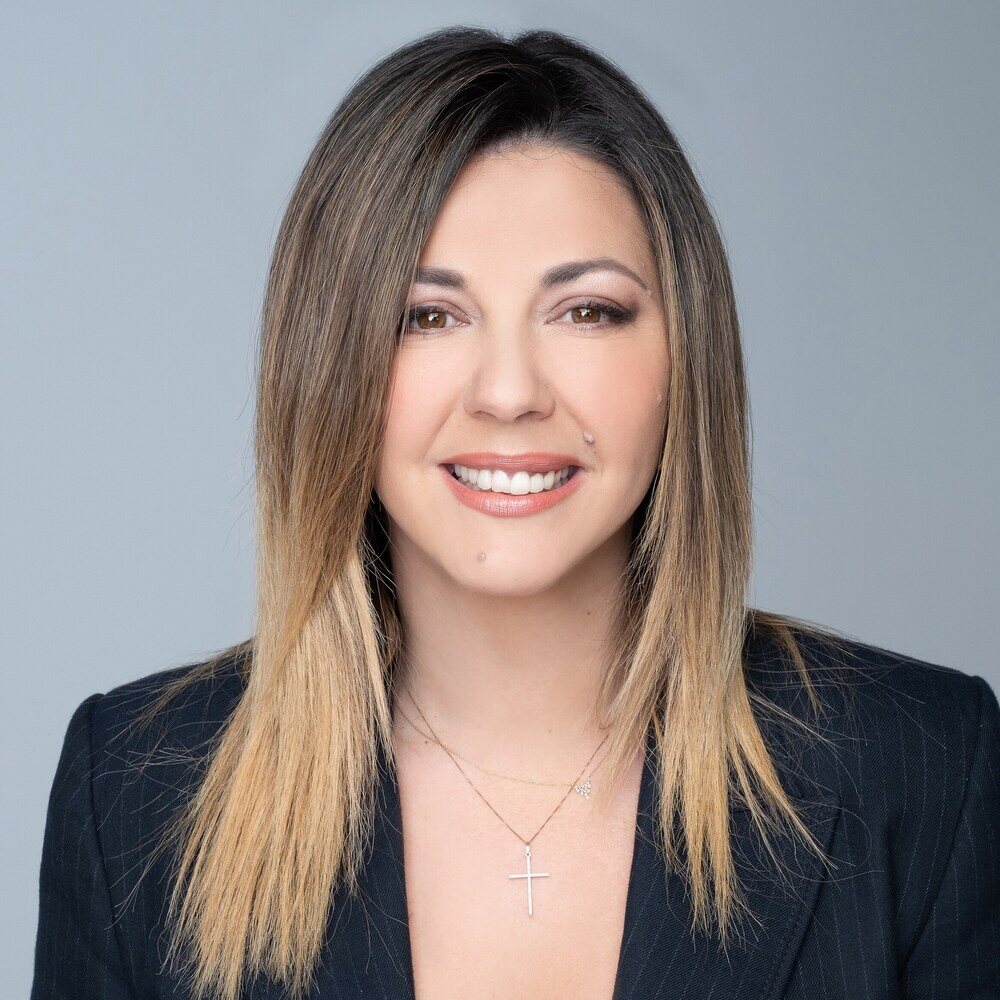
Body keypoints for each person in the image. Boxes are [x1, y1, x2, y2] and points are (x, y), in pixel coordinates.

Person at [30, 25, 998, 1000]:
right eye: (427, 316)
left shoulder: (925, 768)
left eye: (586, 311)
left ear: (685, 357)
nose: (508, 392)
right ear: (328, 366)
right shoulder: (132, 797)